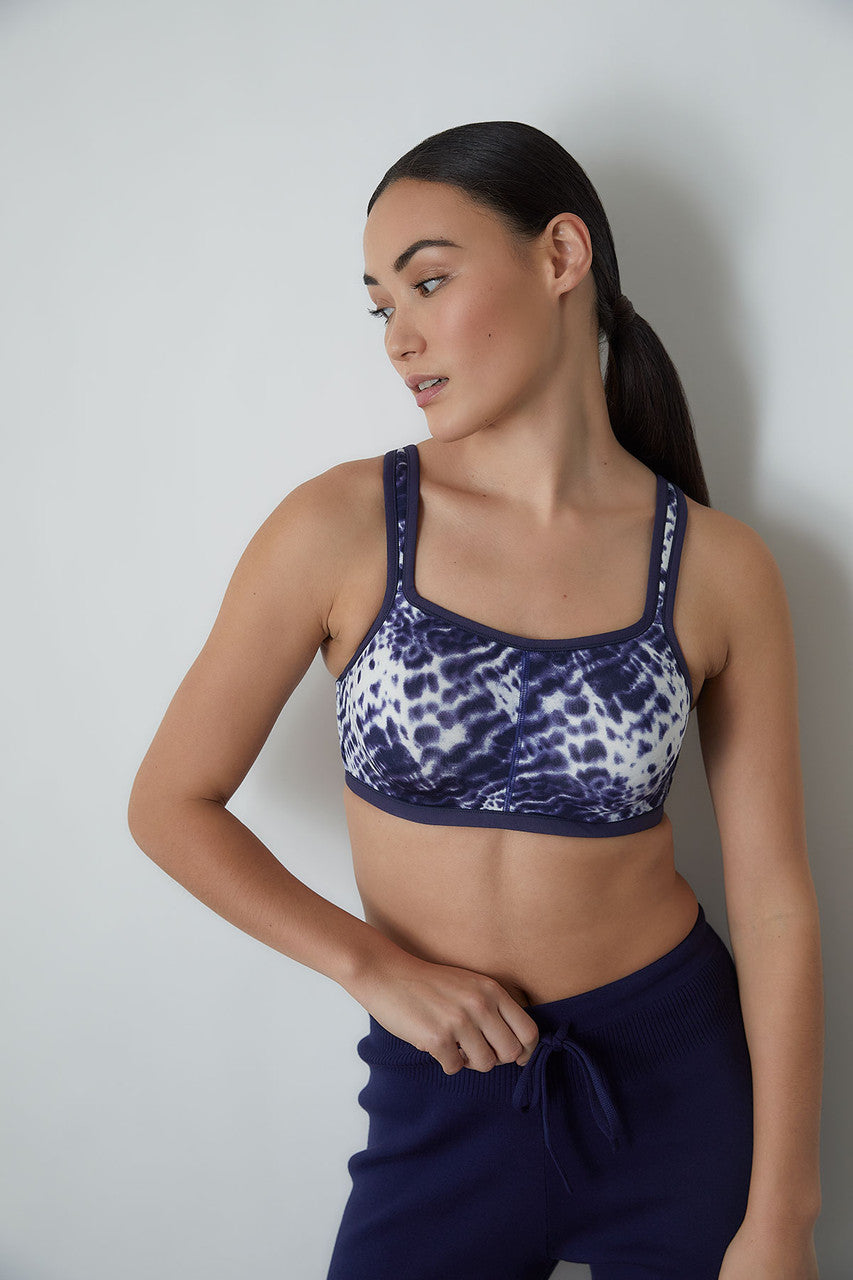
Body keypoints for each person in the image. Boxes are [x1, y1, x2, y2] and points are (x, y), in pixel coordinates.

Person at [127, 121, 824, 1279]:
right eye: (377, 305)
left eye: (429, 281)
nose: (398, 337)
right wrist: (372, 967)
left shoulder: (716, 565)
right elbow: (169, 802)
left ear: (560, 256)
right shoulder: (340, 525)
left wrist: (783, 1216)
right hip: (435, 1097)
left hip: (675, 1089)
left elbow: (775, 906)